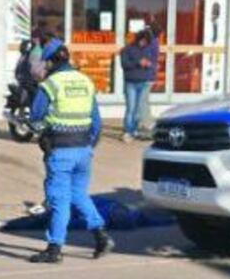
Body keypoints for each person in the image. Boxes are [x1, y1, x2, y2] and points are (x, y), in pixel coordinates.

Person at [28, 39, 114, 263]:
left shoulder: (51, 84)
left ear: (53, 61)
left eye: (47, 62)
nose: (45, 66)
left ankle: (54, 249)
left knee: (59, 200)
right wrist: (88, 146)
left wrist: (44, 130)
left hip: (61, 150)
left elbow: (36, 116)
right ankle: (101, 237)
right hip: (83, 150)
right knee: (79, 195)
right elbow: (96, 122)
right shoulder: (85, 81)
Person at [119, 31, 153, 142]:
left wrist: (149, 65)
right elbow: (124, 65)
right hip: (131, 82)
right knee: (131, 108)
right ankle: (128, 131)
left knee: (138, 109)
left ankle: (135, 130)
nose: (144, 43)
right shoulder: (127, 49)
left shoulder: (147, 49)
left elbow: (152, 63)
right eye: (143, 40)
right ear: (138, 39)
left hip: (144, 81)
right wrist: (138, 63)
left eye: (146, 42)